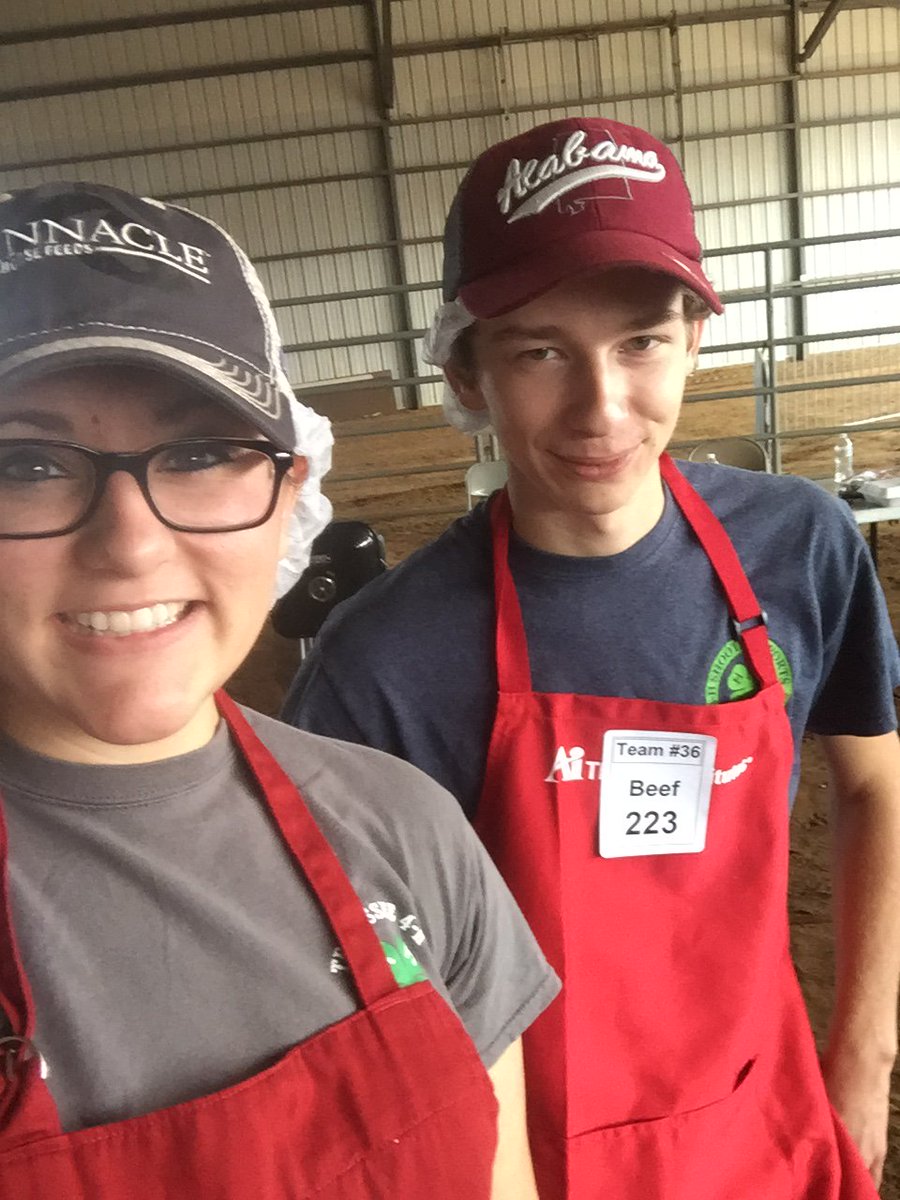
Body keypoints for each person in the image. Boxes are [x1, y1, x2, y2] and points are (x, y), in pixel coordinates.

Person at [283, 117, 900, 1198]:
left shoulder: (799, 549)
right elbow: (352, 994)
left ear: (698, 337)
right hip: (532, 1164)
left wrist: (862, 1058)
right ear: (468, 375)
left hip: (770, 1122)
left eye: (641, 341)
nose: (602, 408)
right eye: (539, 352)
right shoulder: (384, 665)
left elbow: (876, 786)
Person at [0, 181, 560, 1199]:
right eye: (27, 462)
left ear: (291, 494)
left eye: (206, 452)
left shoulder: (407, 833)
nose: (128, 543)